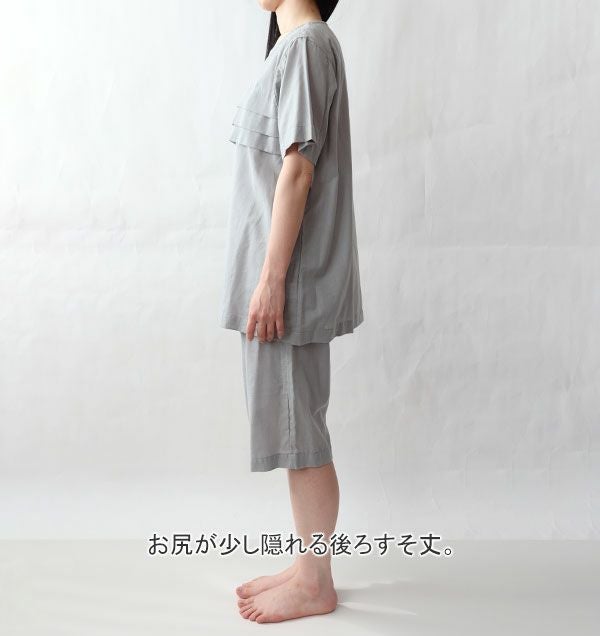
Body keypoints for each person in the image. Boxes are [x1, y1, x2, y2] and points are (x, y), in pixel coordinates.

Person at [218, 0, 364, 623]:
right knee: (295, 424)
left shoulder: (306, 46)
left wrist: (272, 280)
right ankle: (309, 565)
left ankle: (315, 582)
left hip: (290, 283)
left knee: (301, 431)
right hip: (285, 279)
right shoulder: (298, 46)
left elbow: (297, 172)